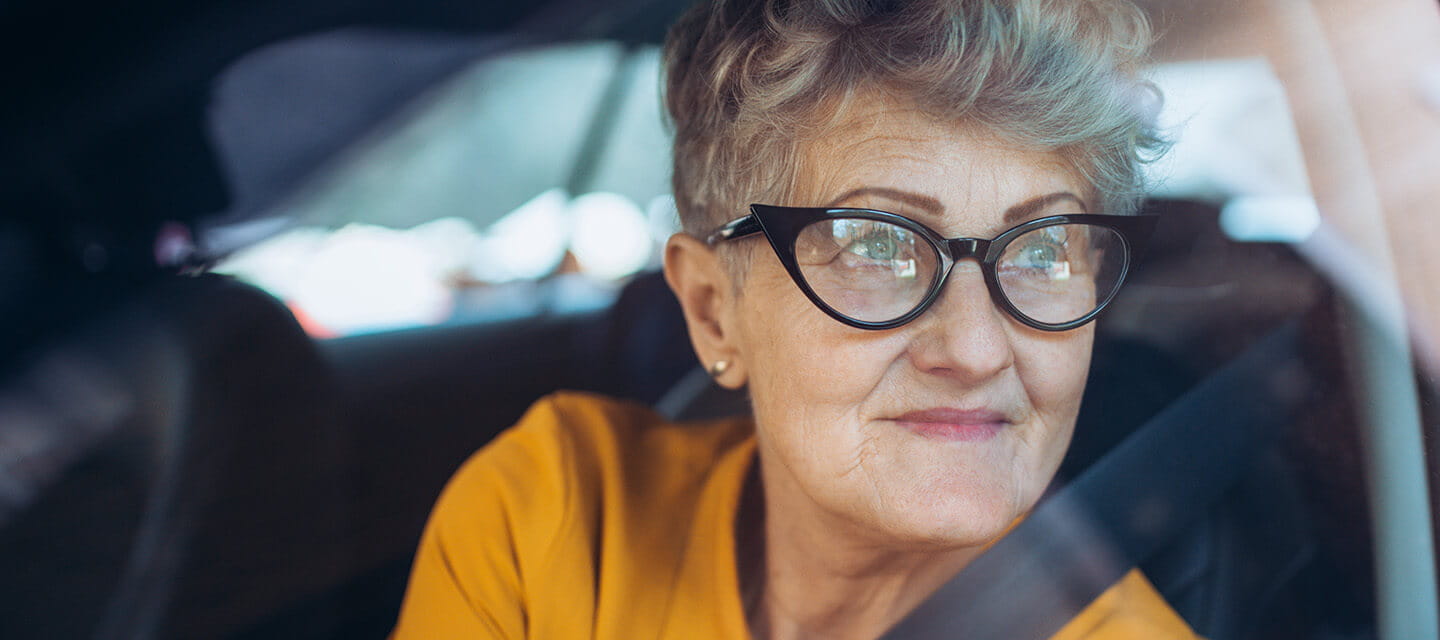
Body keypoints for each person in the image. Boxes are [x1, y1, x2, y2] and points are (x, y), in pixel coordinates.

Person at [391, 0, 1194, 638]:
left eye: (1045, 249)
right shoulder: (562, 519)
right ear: (713, 312)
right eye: (876, 246)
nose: (978, 348)